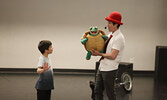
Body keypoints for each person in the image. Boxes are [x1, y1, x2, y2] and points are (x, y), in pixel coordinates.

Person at [92, 11, 125, 100]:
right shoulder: (110, 35)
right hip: (102, 66)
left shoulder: (119, 38)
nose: (108, 25)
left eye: (110, 23)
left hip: (110, 69)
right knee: (97, 91)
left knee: (110, 93)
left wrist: (99, 54)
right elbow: (104, 49)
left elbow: (113, 55)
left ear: (116, 24)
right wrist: (96, 51)